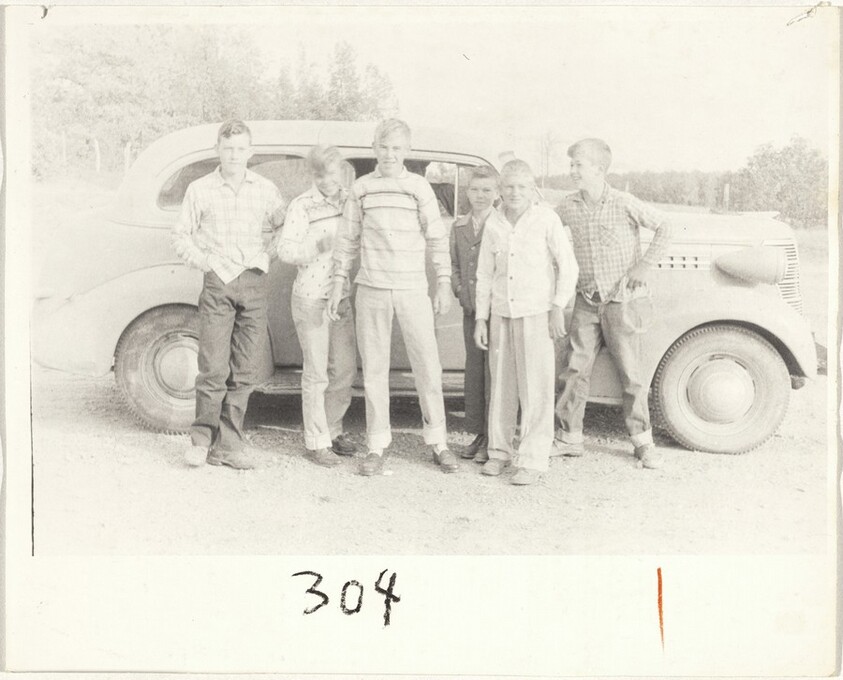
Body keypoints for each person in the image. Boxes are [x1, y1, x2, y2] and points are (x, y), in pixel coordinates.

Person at [328, 118, 456, 477]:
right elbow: (347, 239)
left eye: (396, 148)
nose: (389, 154)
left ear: (407, 151)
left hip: (412, 288)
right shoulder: (362, 189)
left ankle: (439, 442)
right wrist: (338, 283)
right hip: (371, 288)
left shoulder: (418, 187)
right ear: (374, 149)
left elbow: (437, 238)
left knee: (427, 366)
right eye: (383, 147)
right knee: (374, 370)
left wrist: (443, 283)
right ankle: (377, 445)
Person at [172, 119, 286, 470]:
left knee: (245, 368)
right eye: (228, 149)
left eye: (240, 149)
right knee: (212, 367)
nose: (234, 155)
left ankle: (229, 445)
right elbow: (180, 235)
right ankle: (201, 441)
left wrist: (266, 255)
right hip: (218, 283)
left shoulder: (265, 189)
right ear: (217, 150)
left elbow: (285, 226)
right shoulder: (200, 189)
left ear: (250, 152)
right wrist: (206, 262)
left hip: (253, 281)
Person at [553, 138, 673, 469]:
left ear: (600, 169)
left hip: (623, 301)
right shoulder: (567, 206)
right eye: (571, 164)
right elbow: (545, 229)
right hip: (586, 300)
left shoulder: (623, 202)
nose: (572, 170)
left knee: (631, 374)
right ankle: (569, 438)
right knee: (575, 369)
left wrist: (644, 265)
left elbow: (666, 226)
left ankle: (643, 443)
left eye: (578, 165)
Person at [474, 159, 578, 486]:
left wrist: (558, 305)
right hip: (501, 313)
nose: (514, 193)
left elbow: (568, 266)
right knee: (501, 387)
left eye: (521, 187)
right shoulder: (493, 222)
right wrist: (481, 318)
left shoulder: (546, 219)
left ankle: (533, 459)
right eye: (508, 187)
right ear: (500, 190)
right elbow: (484, 274)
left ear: (532, 189)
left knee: (536, 388)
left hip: (536, 313)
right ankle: (499, 452)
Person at [277, 145, 358, 468]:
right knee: (316, 372)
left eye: (332, 174)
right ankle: (316, 440)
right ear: (313, 174)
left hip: (341, 296)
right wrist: (316, 246)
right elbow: (285, 250)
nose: (327, 181)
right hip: (311, 297)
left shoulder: (349, 200)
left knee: (344, 369)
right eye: (320, 175)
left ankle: (334, 429)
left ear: (342, 172)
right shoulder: (302, 205)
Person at [450, 166, 498, 464]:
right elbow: (454, 265)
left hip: (497, 312)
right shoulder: (459, 226)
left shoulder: (501, 224)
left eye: (487, 190)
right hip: (472, 310)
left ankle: (494, 437)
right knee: (475, 373)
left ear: (497, 193)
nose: (480, 196)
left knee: (495, 374)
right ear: (467, 192)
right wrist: (459, 290)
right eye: (475, 190)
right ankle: (479, 433)